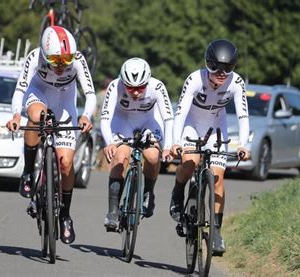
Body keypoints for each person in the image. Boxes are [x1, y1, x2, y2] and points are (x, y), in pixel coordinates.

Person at [6, 26, 95, 244]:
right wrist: (16, 115)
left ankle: (65, 215)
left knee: (65, 164)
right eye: (55, 60)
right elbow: (20, 89)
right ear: (45, 54)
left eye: (66, 60)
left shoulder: (77, 60)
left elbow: (90, 93)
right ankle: (28, 172)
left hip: (66, 102)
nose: (61, 66)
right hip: (39, 94)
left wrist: (86, 116)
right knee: (36, 117)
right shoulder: (34, 57)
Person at [169, 39, 251, 255]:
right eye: (217, 68)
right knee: (190, 162)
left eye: (228, 68)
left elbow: (243, 115)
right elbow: (181, 112)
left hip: (216, 127)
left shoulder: (236, 82)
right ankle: (178, 193)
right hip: (192, 126)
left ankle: (215, 232)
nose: (222, 73)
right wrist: (176, 142)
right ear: (208, 64)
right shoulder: (195, 79)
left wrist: (244, 144)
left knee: (217, 178)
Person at [100, 57, 174, 230]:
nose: (135, 92)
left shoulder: (157, 87)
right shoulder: (115, 86)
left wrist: (168, 146)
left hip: (148, 121)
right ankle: (112, 211)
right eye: (130, 87)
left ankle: (148, 192)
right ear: (123, 82)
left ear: (147, 81)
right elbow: (105, 117)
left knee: (153, 156)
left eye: (141, 87)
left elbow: (168, 118)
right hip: (123, 121)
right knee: (120, 157)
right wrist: (109, 142)